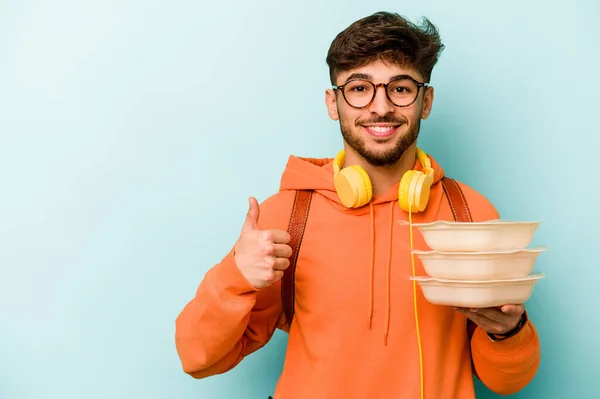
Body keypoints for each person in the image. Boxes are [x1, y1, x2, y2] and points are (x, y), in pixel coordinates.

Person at [174, 11, 541, 399]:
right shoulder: (284, 217)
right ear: (333, 103)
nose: (380, 107)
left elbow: (507, 382)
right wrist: (236, 275)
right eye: (359, 88)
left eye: (400, 88)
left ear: (426, 101)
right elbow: (197, 358)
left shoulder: (472, 215)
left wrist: (509, 331)